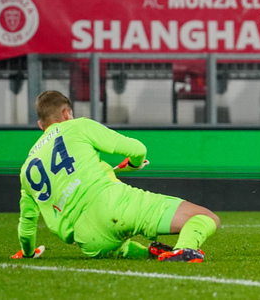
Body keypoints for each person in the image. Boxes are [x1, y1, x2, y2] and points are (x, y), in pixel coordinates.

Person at [13, 91, 219, 262]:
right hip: (112, 203)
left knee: (119, 247)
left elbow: (27, 224)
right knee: (206, 217)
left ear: (41, 125)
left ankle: (148, 252)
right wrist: (134, 165)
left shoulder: (26, 168)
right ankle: (184, 249)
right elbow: (137, 149)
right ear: (67, 113)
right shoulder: (78, 126)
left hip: (88, 239)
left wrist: (29, 252)